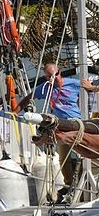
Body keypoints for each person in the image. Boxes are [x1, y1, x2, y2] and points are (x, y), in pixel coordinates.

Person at [16, 63, 94, 192]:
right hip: (60, 125)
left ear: (59, 72)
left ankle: (83, 182)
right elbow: (28, 98)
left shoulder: (73, 83)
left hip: (76, 123)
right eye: (50, 77)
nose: (54, 78)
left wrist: (91, 87)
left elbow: (91, 88)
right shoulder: (45, 88)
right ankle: (69, 185)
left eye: (56, 75)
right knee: (63, 158)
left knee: (83, 154)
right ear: (46, 78)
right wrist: (15, 111)